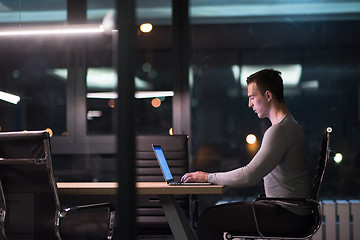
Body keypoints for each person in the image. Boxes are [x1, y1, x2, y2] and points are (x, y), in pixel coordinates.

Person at [181, 69, 313, 240]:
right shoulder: (288, 126)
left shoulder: (280, 130)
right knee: (214, 215)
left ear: (268, 96)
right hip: (291, 211)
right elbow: (253, 173)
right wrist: (225, 180)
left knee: (208, 220)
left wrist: (206, 177)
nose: (249, 104)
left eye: (252, 97)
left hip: (288, 215)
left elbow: (250, 175)